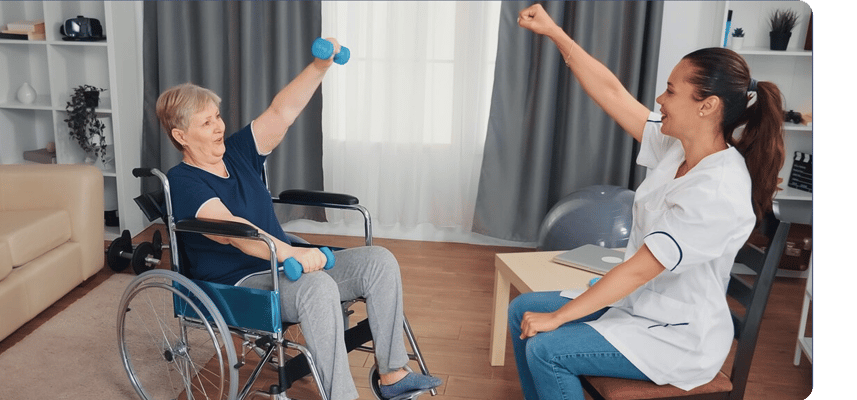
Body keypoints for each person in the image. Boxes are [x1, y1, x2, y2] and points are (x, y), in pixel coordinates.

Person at [508, 4, 785, 399]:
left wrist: (559, 317)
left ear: (708, 106)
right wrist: (556, 33)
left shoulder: (718, 189)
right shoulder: (678, 147)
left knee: (548, 348)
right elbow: (612, 93)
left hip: (678, 337)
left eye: (671, 91)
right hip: (645, 306)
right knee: (523, 310)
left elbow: (640, 270)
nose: (660, 99)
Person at [154, 38, 441, 400]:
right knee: (318, 285)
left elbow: (282, 112)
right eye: (206, 122)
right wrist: (291, 254)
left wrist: (320, 67)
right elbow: (234, 233)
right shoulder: (183, 182)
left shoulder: (238, 152)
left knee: (379, 261)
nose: (218, 127)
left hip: (282, 266)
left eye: (217, 117)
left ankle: (393, 376)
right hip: (239, 284)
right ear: (181, 136)